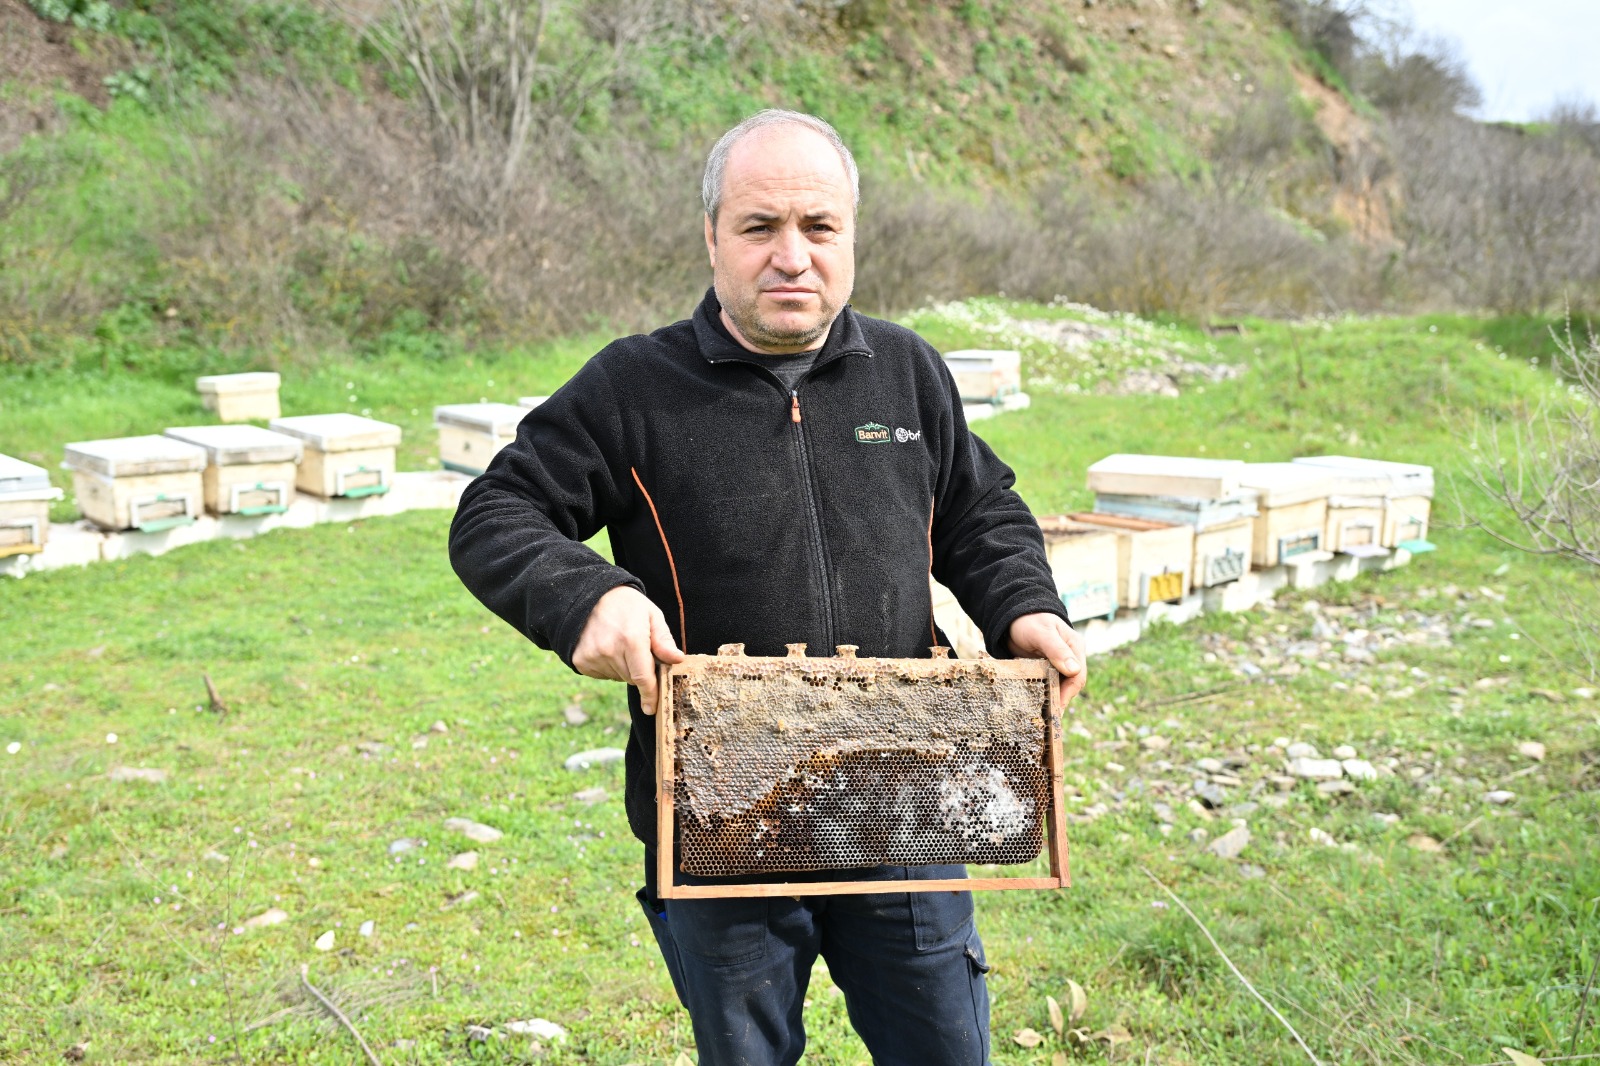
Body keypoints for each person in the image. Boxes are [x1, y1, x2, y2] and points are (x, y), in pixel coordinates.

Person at [449, 109, 1087, 1066]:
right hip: (718, 814)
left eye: (819, 228)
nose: (793, 256)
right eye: (759, 228)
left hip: (904, 795)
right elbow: (496, 513)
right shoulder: (634, 387)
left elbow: (978, 510)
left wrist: (1026, 608)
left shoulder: (907, 373)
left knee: (946, 1049)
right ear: (712, 237)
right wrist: (589, 596)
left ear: (851, 238)